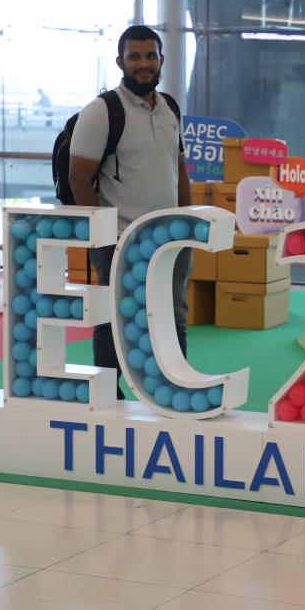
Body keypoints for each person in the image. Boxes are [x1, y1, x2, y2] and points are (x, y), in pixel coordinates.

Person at [68, 24, 190, 395]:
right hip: (120, 237)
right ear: (120, 61)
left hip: (170, 236)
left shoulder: (170, 107)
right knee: (114, 317)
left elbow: (179, 169)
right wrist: (101, 235)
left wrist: (188, 221)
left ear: (161, 60)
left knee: (172, 314)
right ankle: (109, 390)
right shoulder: (102, 111)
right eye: (134, 57)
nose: (143, 64)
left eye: (150, 56)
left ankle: (175, 386)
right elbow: (78, 177)